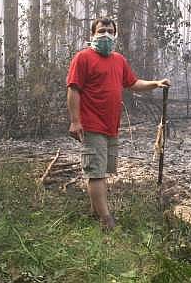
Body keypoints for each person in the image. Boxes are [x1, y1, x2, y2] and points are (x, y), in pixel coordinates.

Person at [66, 17, 170, 230]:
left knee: (103, 171)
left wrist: (156, 83)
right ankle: (106, 220)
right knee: (95, 172)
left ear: (115, 35)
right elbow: (73, 89)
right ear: (92, 35)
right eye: (101, 31)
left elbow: (132, 83)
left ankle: (96, 214)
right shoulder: (83, 58)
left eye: (109, 31)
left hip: (111, 126)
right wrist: (75, 121)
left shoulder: (119, 60)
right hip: (91, 124)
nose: (105, 34)